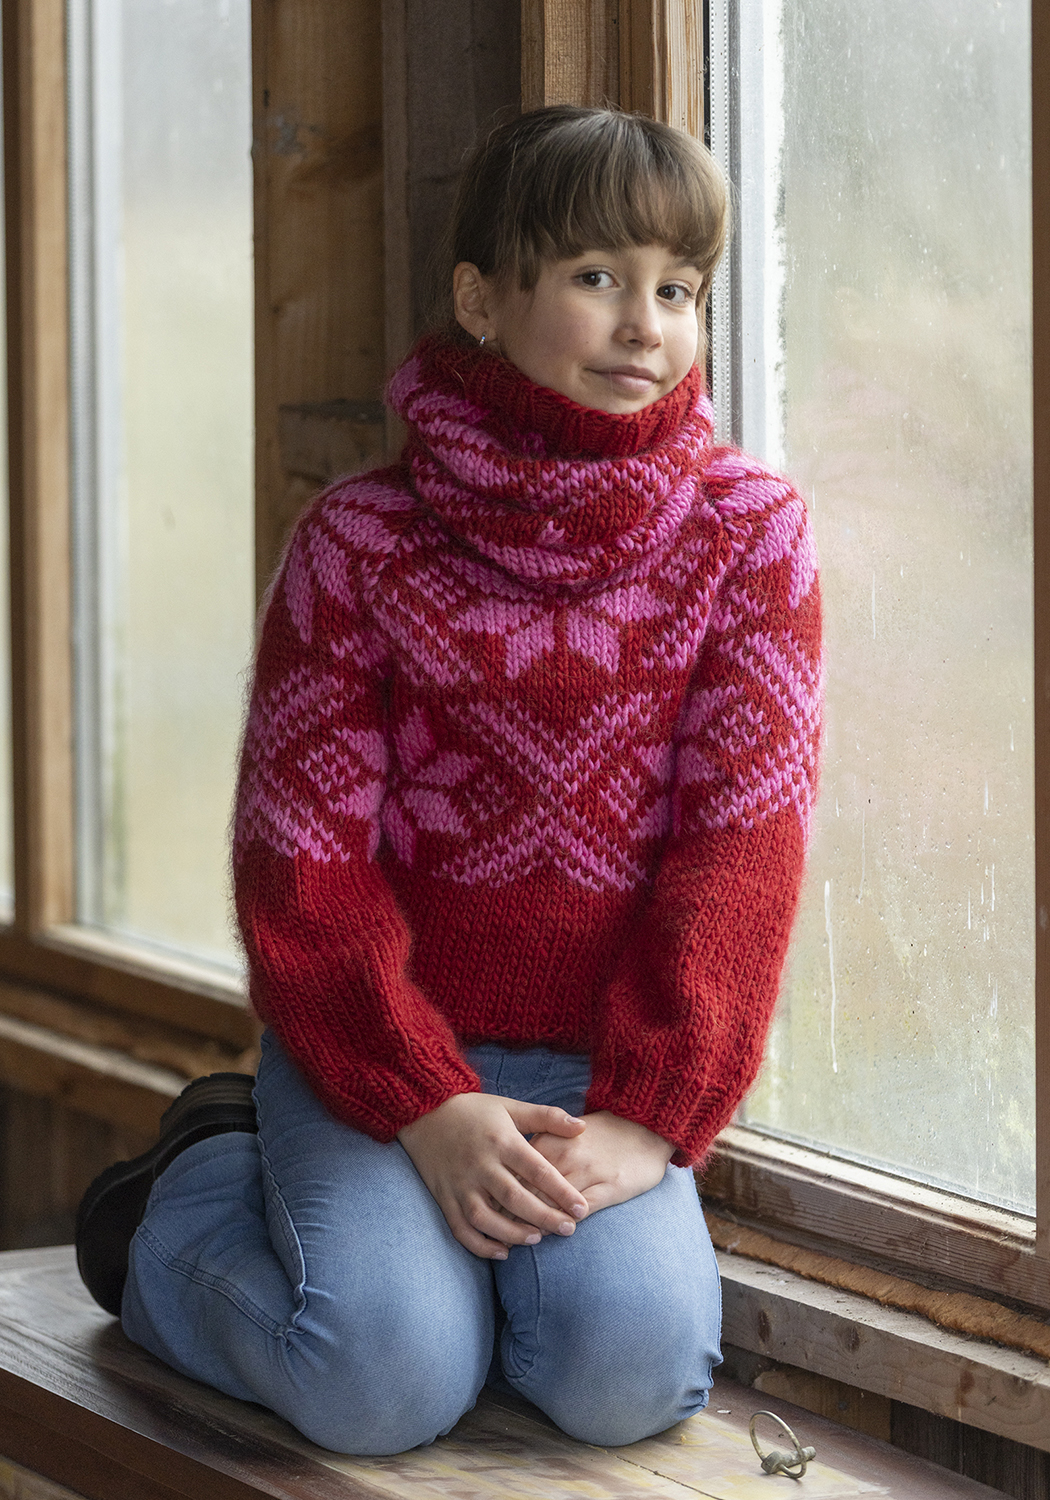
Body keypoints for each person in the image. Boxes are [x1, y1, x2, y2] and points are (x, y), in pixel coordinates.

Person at [75, 105, 822, 1457]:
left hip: (596, 1072)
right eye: (596, 276)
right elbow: (302, 871)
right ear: (483, 299)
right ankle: (180, 1209)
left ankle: (443, 1285)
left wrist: (649, 1117)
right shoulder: (360, 544)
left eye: (678, 289)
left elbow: (741, 855)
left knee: (631, 1380)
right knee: (383, 1386)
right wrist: (423, 1103)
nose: (644, 324)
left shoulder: (749, 538)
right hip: (376, 1049)